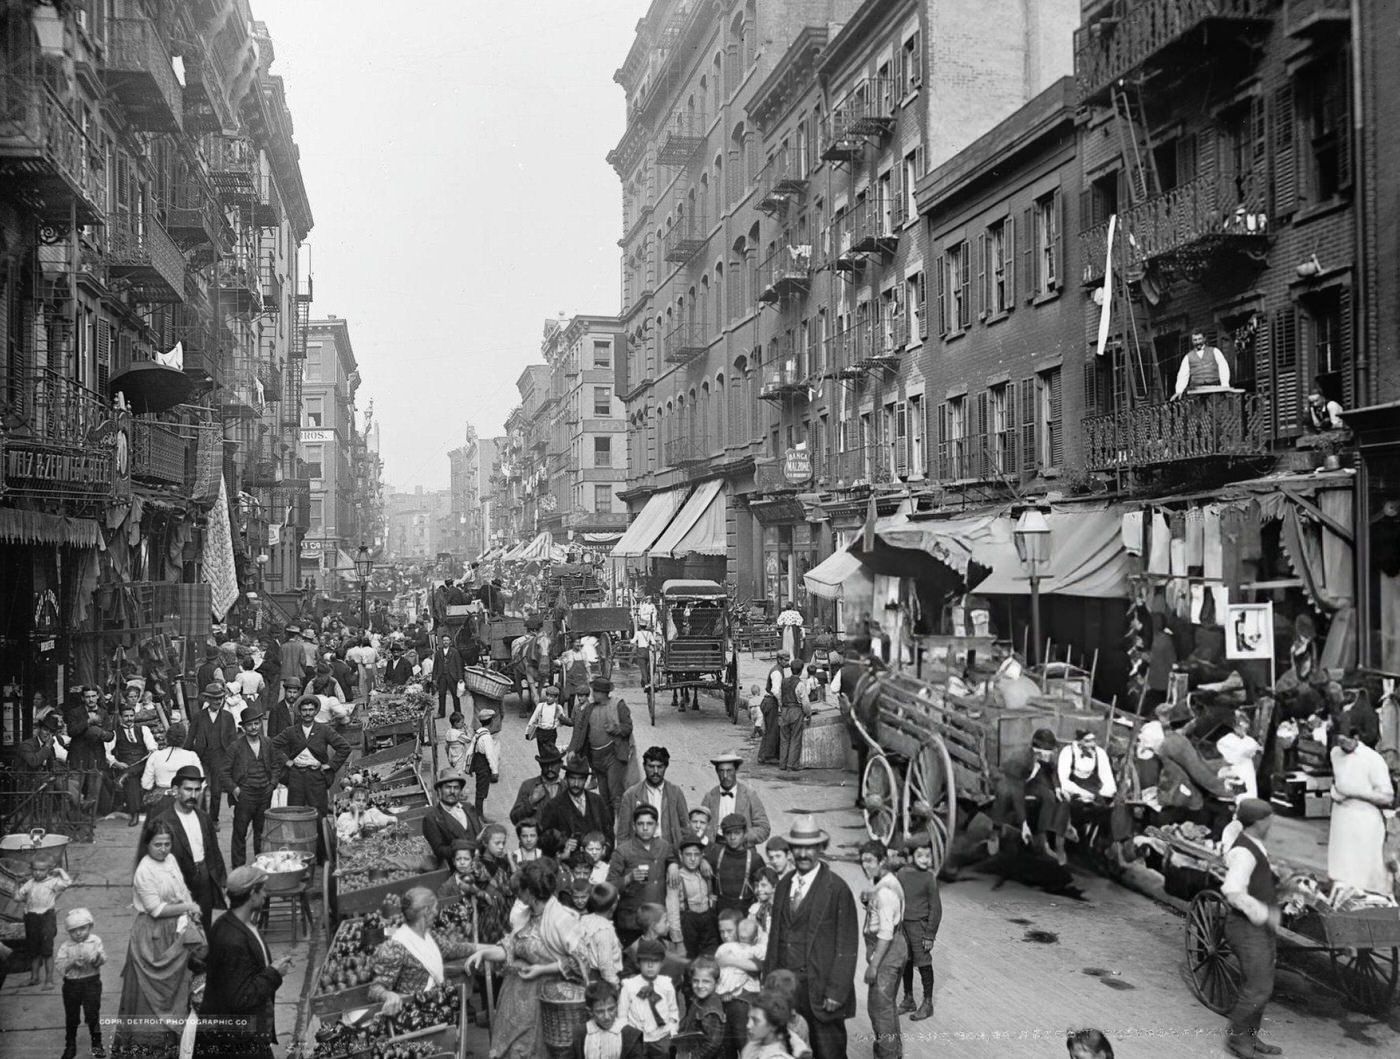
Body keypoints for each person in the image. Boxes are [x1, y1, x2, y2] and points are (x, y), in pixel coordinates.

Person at [464, 860, 588, 1059]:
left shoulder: (563, 919)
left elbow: (582, 961)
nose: (517, 896)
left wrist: (543, 970)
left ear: (530, 892)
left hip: (548, 1001)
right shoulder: (525, 916)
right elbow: (510, 946)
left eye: (520, 891)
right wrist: (484, 953)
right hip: (515, 1000)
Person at [762, 816, 858, 1059]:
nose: (803, 854)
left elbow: (847, 945)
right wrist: (770, 985)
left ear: (820, 849)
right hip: (787, 990)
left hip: (821, 992)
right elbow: (775, 939)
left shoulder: (836, 889)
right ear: (791, 850)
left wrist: (836, 992)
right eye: (798, 848)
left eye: (809, 848)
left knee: (829, 1053)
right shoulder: (784, 885)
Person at [115, 818, 202, 1056]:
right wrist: (188, 907)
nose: (163, 849)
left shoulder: (171, 860)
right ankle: (150, 1048)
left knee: (175, 987)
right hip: (152, 935)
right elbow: (156, 909)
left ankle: (174, 1044)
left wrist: (189, 912)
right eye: (157, 844)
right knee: (151, 993)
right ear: (147, 844)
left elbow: (182, 889)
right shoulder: (144, 870)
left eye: (167, 844)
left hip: (174, 929)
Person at [194, 866, 295, 1059]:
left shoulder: (234, 923)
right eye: (262, 889)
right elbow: (241, 998)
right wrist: (274, 973)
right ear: (251, 894)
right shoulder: (232, 940)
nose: (265, 894)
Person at [1220, 798, 1283, 1058]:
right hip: (1245, 927)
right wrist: (1264, 913)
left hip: (1256, 927)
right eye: (1269, 819)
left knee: (1262, 985)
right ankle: (1238, 1041)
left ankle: (1250, 1037)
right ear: (1259, 822)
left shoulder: (1254, 844)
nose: (1272, 823)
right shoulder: (1245, 851)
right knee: (1257, 987)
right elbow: (1232, 891)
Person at [367, 887, 475, 1015]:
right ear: (426, 911)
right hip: (415, 1015)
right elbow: (374, 989)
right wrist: (388, 995)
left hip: (437, 1009)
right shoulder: (396, 947)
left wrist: (488, 948)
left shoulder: (429, 936)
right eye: (435, 908)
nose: (437, 912)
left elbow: (453, 949)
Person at [153, 765, 227, 928]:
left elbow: (214, 851)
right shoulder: (163, 822)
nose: (192, 795)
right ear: (175, 790)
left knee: (204, 929)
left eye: (197, 790)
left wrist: (220, 881)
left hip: (204, 881)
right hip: (179, 884)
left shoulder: (204, 818)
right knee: (180, 931)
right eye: (187, 790)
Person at [271, 696, 351, 844]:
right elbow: (272, 745)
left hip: (316, 777)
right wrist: (286, 761)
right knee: (296, 814)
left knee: (319, 814)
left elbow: (344, 747)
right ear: (299, 713)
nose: (307, 713)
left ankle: (321, 853)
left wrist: (330, 765)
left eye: (311, 710)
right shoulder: (291, 731)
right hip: (296, 777)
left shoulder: (324, 730)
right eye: (304, 710)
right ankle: (299, 849)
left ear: (315, 712)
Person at [1328, 723, 1394, 894]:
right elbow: (1338, 780)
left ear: (1356, 738)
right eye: (1339, 742)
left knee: (1365, 867)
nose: (1342, 746)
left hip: (1365, 817)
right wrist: (1336, 791)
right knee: (1342, 864)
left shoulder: (1372, 759)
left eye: (1346, 742)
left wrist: (1355, 792)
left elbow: (1387, 796)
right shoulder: (1335, 754)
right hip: (1342, 816)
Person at [857, 840, 906, 1059]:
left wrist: (874, 966)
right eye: (863, 861)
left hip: (887, 952)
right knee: (886, 1007)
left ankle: (887, 1055)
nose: (865, 865)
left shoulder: (886, 891)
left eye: (870, 861)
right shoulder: (885, 882)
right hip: (893, 948)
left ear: (883, 861)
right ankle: (893, 1052)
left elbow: (886, 932)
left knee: (879, 1010)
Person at [990, 727, 1069, 861]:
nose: (1051, 754)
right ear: (1038, 751)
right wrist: (1024, 823)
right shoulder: (1020, 760)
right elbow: (1017, 793)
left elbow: (1052, 771)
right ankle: (995, 832)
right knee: (1004, 794)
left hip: (1030, 781)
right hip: (1009, 781)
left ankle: (1041, 838)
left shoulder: (1048, 758)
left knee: (1048, 796)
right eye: (1048, 751)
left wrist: (1057, 789)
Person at [567, 676, 635, 822]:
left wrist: (616, 729)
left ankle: (623, 827)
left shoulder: (618, 705)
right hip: (596, 759)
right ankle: (608, 829)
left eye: (596, 691)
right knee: (604, 797)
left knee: (615, 794)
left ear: (604, 693)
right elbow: (580, 730)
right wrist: (573, 749)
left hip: (613, 756)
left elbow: (628, 727)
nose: (593, 694)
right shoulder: (590, 708)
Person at [1055, 728, 1132, 855]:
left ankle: (1097, 846)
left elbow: (1107, 779)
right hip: (1074, 789)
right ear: (1078, 741)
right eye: (1087, 741)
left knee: (1106, 810)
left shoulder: (1099, 753)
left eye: (1093, 741)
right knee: (1068, 806)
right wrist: (1082, 793)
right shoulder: (1067, 752)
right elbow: (1064, 780)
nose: (1091, 744)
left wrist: (1104, 793)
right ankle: (1064, 843)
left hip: (1094, 789)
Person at [609, 804, 673, 948]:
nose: (645, 828)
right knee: (633, 962)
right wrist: (629, 878)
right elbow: (609, 886)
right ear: (633, 826)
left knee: (657, 960)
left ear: (656, 826)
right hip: (632, 920)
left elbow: (673, 858)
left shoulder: (664, 846)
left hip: (657, 920)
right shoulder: (623, 851)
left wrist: (674, 865)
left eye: (649, 824)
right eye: (640, 824)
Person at [225, 705, 279, 869]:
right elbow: (224, 772)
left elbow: (276, 766)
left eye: (256, 724)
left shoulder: (268, 742)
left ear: (260, 724)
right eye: (249, 725)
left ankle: (260, 864)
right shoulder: (235, 747)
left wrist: (272, 784)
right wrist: (234, 788)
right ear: (243, 727)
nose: (253, 728)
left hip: (264, 792)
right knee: (240, 832)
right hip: (245, 794)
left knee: (261, 832)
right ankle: (238, 868)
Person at [894, 832, 940, 1022]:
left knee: (923, 964)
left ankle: (927, 1003)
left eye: (928, 856)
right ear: (911, 856)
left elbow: (936, 908)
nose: (924, 860)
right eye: (920, 856)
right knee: (905, 961)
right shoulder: (901, 874)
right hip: (903, 926)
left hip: (920, 928)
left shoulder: (929, 878)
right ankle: (908, 998)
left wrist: (929, 935)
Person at [616, 745, 690, 847]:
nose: (656, 771)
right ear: (644, 767)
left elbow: (686, 828)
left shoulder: (675, 793)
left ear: (665, 767)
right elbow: (622, 835)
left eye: (660, 767)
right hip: (640, 852)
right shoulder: (631, 795)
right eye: (651, 766)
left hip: (669, 851)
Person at [187, 683, 238, 829]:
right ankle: (201, 819)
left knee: (216, 791)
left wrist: (233, 759)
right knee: (200, 789)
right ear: (208, 699)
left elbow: (233, 740)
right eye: (215, 699)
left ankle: (214, 820)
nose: (218, 702)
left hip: (219, 757)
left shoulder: (228, 717)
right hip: (201, 757)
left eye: (220, 698)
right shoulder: (198, 717)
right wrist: (184, 755)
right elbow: (190, 738)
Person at [542, 759, 613, 864]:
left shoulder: (597, 801)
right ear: (566, 778)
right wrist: (563, 843)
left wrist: (604, 850)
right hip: (569, 865)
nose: (576, 783)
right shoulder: (554, 806)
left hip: (597, 863)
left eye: (580, 779)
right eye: (572, 779)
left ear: (586, 780)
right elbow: (545, 839)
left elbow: (609, 832)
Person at [56, 907, 104, 1059]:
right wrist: (71, 963)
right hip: (72, 985)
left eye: (82, 928)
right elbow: (59, 965)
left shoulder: (95, 941)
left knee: (93, 1014)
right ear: (68, 932)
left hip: (91, 981)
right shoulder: (66, 946)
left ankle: (97, 1044)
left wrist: (96, 959)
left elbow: (102, 958)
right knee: (72, 1016)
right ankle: (70, 1045)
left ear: (90, 926)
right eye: (73, 930)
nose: (78, 933)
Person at [618, 938, 680, 1057]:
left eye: (655, 961)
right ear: (638, 963)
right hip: (637, 1038)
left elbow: (673, 1010)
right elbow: (622, 1014)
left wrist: (672, 1030)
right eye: (646, 961)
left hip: (662, 1037)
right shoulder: (629, 986)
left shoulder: (666, 984)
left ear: (661, 963)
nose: (650, 965)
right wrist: (628, 1036)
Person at [18, 854, 71, 985]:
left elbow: (67, 882)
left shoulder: (53, 882)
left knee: (47, 950)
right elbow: (18, 897)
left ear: (49, 870)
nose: (38, 873)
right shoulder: (29, 884)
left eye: (42, 870)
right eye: (35, 869)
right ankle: (34, 978)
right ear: (31, 870)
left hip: (46, 917)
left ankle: (49, 979)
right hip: (31, 918)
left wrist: (60, 871)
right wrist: (17, 883)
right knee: (33, 950)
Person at [701, 753, 771, 848]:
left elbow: (764, 828)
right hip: (717, 847)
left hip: (743, 848)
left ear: (736, 771)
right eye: (721, 771)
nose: (725, 776)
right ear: (717, 772)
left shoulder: (749, 795)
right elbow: (700, 825)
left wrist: (743, 837)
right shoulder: (710, 797)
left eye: (729, 771)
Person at [108, 701, 159, 826]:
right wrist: (116, 763)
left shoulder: (143, 729)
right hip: (125, 764)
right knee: (132, 780)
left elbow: (153, 749)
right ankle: (134, 814)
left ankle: (126, 775)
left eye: (131, 716)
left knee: (148, 759)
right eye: (126, 716)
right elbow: (107, 752)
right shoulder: (115, 732)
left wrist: (147, 758)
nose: (129, 719)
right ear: (121, 717)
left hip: (143, 764)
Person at [423, 767, 485, 867]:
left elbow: (480, 834)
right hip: (458, 870)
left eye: (456, 788)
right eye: (448, 787)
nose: (452, 791)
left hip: (480, 866)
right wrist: (466, 850)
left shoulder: (469, 808)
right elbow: (440, 851)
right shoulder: (432, 819)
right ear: (439, 790)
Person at [668, 836, 718, 957]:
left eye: (696, 855)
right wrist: (678, 940)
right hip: (688, 926)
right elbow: (672, 909)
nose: (692, 859)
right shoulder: (676, 876)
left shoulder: (705, 872)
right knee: (689, 963)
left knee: (710, 959)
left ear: (702, 856)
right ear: (680, 856)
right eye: (688, 855)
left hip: (708, 925)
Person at [706, 814, 765, 916]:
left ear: (745, 833)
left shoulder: (755, 859)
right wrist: (703, 861)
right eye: (728, 833)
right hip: (720, 914)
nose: (732, 837)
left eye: (737, 833)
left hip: (745, 914)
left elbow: (763, 887)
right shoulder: (716, 853)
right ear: (723, 835)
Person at [571, 978, 645, 1059]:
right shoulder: (580, 1034)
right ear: (590, 1011)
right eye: (600, 1012)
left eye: (611, 1009)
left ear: (616, 1006)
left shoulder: (629, 1035)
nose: (607, 1017)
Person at [574, 883, 624, 987]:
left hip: (585, 974)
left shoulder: (585, 919)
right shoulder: (604, 930)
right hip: (600, 981)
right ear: (613, 905)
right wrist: (615, 985)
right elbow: (605, 965)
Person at [677, 955, 726, 1059]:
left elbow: (712, 1044)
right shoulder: (698, 998)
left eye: (706, 981)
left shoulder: (712, 1011)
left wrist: (692, 1057)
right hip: (690, 1048)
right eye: (695, 981)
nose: (699, 985)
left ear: (716, 983)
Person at [511, 748, 566, 825]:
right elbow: (514, 818)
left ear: (561, 764)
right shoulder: (528, 786)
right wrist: (531, 802)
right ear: (540, 765)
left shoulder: (567, 788)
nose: (550, 768)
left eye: (553, 764)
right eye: (546, 764)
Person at [1173, 330, 1231, 399]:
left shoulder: (1215, 351)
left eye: (1199, 339)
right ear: (1192, 341)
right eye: (1195, 340)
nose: (1198, 342)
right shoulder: (1188, 357)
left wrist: (1225, 385)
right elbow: (1183, 375)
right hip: (1196, 391)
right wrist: (1179, 390)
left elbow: (1223, 368)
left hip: (1214, 388)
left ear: (1204, 339)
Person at [742, 990, 800, 1059]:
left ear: (773, 1025)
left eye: (755, 1021)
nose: (748, 1025)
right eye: (749, 1018)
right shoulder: (750, 1048)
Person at [465, 707, 501, 816]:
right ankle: (479, 815)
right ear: (490, 722)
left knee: (480, 788)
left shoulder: (478, 733)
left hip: (478, 763)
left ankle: (479, 813)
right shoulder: (486, 737)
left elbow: (470, 750)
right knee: (482, 790)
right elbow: (490, 755)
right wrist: (495, 770)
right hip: (484, 764)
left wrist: (467, 767)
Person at [778, 663, 812, 773]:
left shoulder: (783, 681)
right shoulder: (800, 684)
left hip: (784, 710)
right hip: (796, 711)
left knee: (784, 739)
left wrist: (782, 708)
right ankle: (791, 764)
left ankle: (782, 763)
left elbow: (779, 696)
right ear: (801, 671)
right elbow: (805, 702)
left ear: (791, 670)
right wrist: (808, 714)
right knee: (795, 739)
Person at [757, 653, 789, 766]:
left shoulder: (778, 670)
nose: (787, 662)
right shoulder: (777, 672)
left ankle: (762, 755)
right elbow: (776, 691)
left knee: (769, 730)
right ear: (779, 660)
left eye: (788, 660)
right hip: (771, 702)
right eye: (785, 660)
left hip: (768, 702)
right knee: (772, 730)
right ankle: (768, 756)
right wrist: (781, 704)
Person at [525, 685, 572, 759]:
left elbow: (561, 722)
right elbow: (533, 718)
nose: (548, 698)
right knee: (542, 753)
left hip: (551, 733)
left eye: (551, 697)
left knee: (550, 752)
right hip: (540, 732)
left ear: (556, 698)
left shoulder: (558, 708)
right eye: (548, 696)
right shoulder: (541, 706)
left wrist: (557, 722)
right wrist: (527, 731)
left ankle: (557, 753)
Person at [434, 633, 464, 720]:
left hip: (452, 676)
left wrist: (460, 678)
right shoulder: (438, 653)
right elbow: (435, 666)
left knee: (455, 695)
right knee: (441, 694)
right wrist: (434, 678)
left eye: (447, 640)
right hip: (442, 676)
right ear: (442, 642)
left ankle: (458, 713)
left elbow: (458, 665)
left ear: (450, 642)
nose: (445, 642)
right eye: (444, 640)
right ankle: (441, 713)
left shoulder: (455, 652)